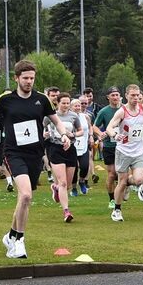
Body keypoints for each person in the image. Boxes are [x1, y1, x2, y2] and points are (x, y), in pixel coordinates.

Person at [0, 60, 72, 259]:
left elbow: (57, 121)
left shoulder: (42, 99)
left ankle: (11, 235)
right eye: (25, 78)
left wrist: (65, 135)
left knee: (24, 200)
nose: (29, 82)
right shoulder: (6, 99)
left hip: (35, 154)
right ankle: (19, 241)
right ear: (16, 78)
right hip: (13, 152)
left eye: (32, 78)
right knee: (25, 196)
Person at [103, 84, 143, 222]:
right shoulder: (122, 111)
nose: (136, 98)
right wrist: (115, 135)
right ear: (127, 96)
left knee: (139, 180)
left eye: (137, 95)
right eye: (133, 95)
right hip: (123, 151)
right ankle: (117, 210)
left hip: (138, 152)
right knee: (122, 182)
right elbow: (109, 127)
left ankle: (129, 183)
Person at [45, 93, 83, 223]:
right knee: (63, 182)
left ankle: (55, 188)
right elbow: (42, 130)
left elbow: (80, 131)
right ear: (58, 103)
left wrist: (73, 134)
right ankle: (66, 211)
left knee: (66, 184)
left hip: (70, 149)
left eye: (68, 103)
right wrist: (45, 134)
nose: (66, 105)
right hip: (56, 149)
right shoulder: (51, 116)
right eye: (63, 103)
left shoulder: (73, 116)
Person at [93, 86, 123, 209]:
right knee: (112, 174)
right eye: (113, 95)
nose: (115, 97)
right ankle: (112, 199)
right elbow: (95, 126)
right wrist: (100, 134)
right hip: (110, 146)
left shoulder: (125, 109)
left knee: (123, 174)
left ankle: (122, 192)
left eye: (117, 95)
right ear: (108, 97)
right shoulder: (104, 111)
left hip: (125, 146)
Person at [71, 97, 93, 196]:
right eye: (75, 106)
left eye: (79, 105)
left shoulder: (86, 116)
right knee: (74, 168)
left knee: (84, 166)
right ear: (71, 107)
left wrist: (91, 136)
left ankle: (82, 181)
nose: (78, 107)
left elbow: (90, 127)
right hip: (72, 145)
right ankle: (74, 188)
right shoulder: (69, 117)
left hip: (83, 144)